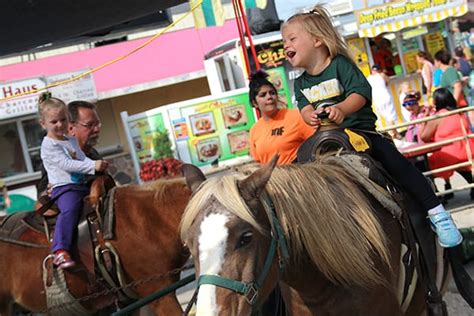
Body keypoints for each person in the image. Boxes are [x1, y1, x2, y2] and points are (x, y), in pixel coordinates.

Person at [281, 4, 462, 247]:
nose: (286, 45)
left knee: (395, 162)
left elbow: (361, 93)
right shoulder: (301, 82)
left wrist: (341, 109)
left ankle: (436, 211)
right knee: (298, 172)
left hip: (360, 133)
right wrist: (309, 115)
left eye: (292, 38)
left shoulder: (340, 65)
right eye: (284, 41)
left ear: (317, 40)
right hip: (326, 138)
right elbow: (303, 106)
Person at [38, 93, 108, 269]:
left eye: (62, 120)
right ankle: (60, 250)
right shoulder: (49, 145)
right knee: (70, 209)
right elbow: (66, 164)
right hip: (64, 188)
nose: (59, 124)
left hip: (78, 185)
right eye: (90, 125)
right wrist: (93, 167)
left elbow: (82, 159)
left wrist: (95, 165)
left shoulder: (71, 142)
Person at [37, 100, 104, 197]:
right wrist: (49, 193)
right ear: (71, 128)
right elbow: (42, 195)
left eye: (98, 124)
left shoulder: (93, 154)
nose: (97, 129)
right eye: (89, 125)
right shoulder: (54, 152)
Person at [249, 70, 314, 165]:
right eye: (263, 95)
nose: (269, 97)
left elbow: (317, 143)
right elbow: (258, 163)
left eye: (272, 93)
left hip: (298, 176)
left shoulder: (296, 117)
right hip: (273, 179)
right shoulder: (254, 130)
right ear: (254, 103)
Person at [420, 88, 474, 198]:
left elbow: (424, 136)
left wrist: (425, 115)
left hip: (450, 155)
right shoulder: (460, 113)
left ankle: (437, 195)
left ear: (436, 101)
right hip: (468, 150)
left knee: (423, 165)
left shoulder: (438, 116)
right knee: (461, 165)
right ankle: (461, 186)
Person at [366, 64, 399, 133]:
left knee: (387, 117)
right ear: (379, 70)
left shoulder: (368, 78)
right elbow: (388, 81)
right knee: (391, 117)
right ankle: (393, 133)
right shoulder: (381, 75)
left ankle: (395, 133)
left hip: (377, 99)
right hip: (386, 96)